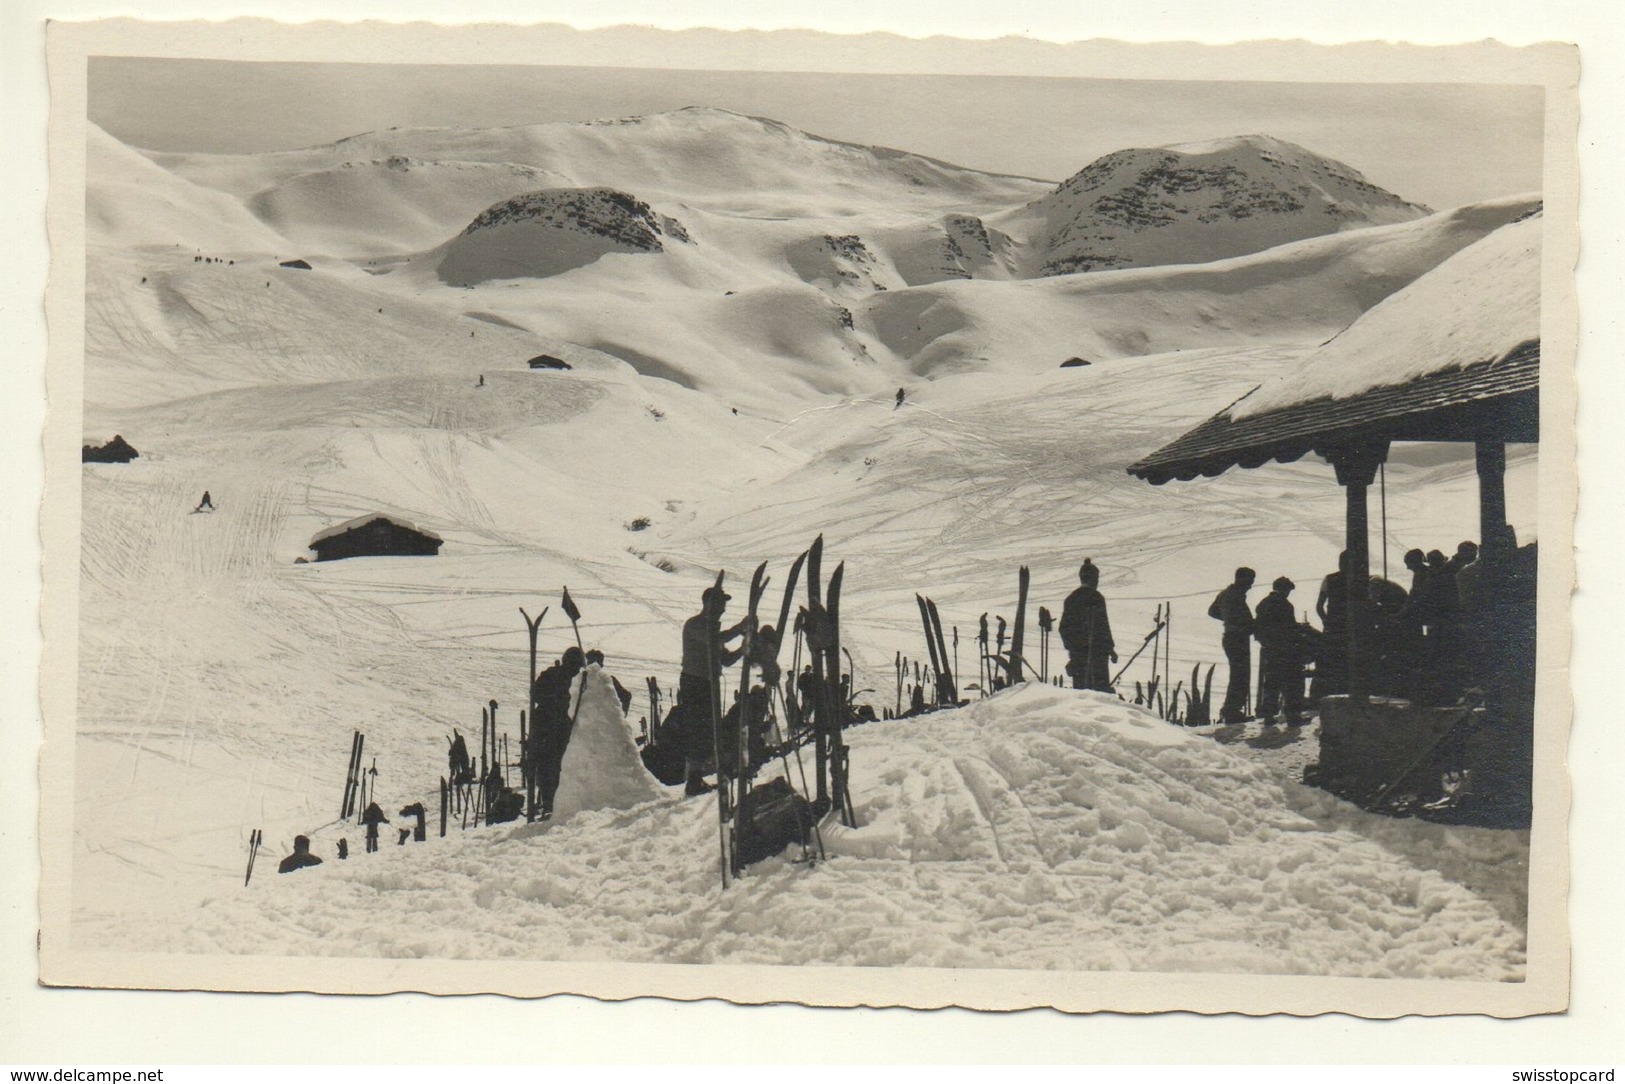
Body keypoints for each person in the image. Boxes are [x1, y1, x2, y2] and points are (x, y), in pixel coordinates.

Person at [528, 646, 585, 817]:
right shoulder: (578, 679)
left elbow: (535, 694)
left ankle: (549, 804)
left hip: (546, 726)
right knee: (559, 765)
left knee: (548, 766)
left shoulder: (552, 674)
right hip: (559, 727)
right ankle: (553, 804)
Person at [1253, 577, 1305, 725]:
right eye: (1288, 590)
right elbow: (1289, 629)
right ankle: (1293, 717)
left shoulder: (1262, 604)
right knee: (1292, 682)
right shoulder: (1285, 604)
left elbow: (1258, 628)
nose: (1288, 594)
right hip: (1285, 648)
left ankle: (1268, 715)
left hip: (1269, 648)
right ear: (1284, 589)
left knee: (1271, 682)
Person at [1059, 559, 1116, 692]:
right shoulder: (1096, 598)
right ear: (1092, 579)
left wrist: (1074, 648)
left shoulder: (1071, 599)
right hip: (1098, 658)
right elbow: (1103, 626)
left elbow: (1064, 629)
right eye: (1096, 578)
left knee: (1082, 694)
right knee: (1099, 693)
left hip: (1079, 658)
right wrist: (1110, 649)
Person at [1210, 567, 1256, 723]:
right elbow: (1246, 620)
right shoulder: (1236, 596)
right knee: (1240, 676)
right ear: (1242, 580)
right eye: (1249, 582)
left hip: (1230, 636)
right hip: (1238, 638)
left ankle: (1231, 710)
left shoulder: (1225, 593)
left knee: (1237, 674)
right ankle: (1232, 711)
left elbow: (1212, 611)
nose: (1250, 586)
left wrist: (1227, 619)